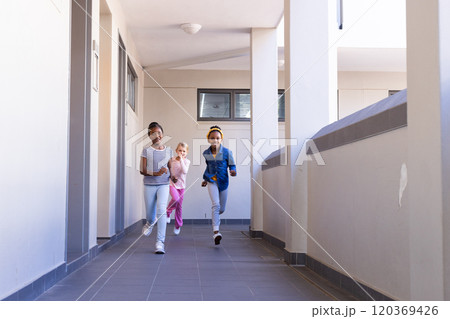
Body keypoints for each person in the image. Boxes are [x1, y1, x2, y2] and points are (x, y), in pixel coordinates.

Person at [140, 122, 172, 254]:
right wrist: (156, 173)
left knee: (162, 210)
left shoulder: (168, 150)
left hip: (164, 184)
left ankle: (160, 242)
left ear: (162, 134)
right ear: (149, 136)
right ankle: (149, 223)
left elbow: (171, 168)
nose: (157, 135)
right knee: (150, 214)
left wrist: (174, 177)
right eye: (153, 133)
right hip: (149, 185)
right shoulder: (146, 151)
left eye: (159, 132)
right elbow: (142, 170)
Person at [201, 125, 237, 245]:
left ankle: (216, 217)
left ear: (221, 139)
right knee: (215, 205)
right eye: (212, 138)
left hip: (223, 182)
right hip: (212, 181)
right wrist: (205, 179)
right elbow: (208, 167)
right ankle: (216, 232)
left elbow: (232, 165)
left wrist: (233, 170)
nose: (215, 140)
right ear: (208, 139)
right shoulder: (206, 153)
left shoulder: (227, 152)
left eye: (217, 138)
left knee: (221, 209)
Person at [166, 142, 190, 235]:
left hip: (182, 187)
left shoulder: (186, 161)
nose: (181, 152)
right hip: (172, 184)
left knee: (179, 207)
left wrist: (181, 160)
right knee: (176, 199)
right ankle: (168, 211)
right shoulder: (171, 160)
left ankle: (177, 225)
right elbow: (168, 172)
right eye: (180, 150)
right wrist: (172, 177)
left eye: (184, 151)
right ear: (176, 151)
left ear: (186, 152)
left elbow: (184, 171)